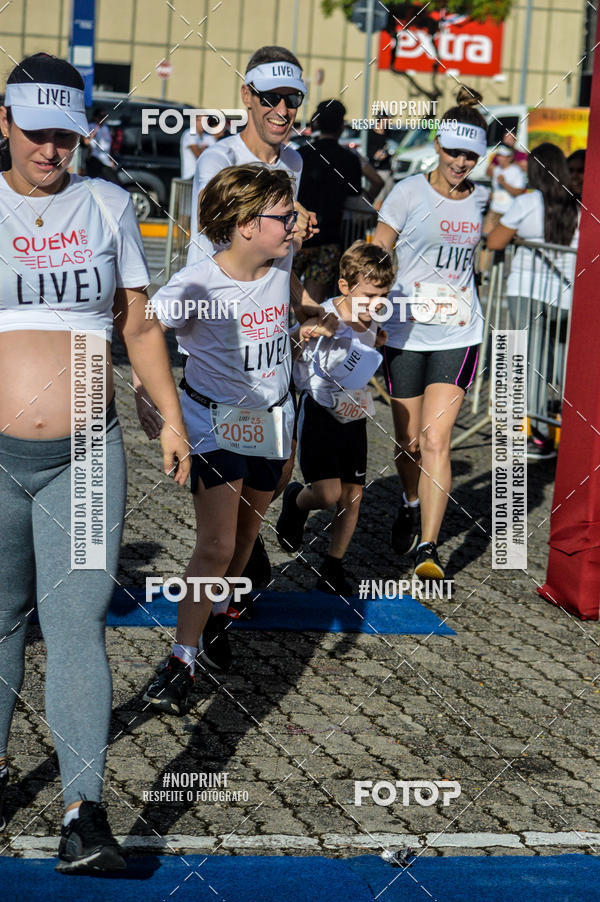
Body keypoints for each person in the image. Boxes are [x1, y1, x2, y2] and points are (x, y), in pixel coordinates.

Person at [0, 53, 190, 871]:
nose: (52, 150)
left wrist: (170, 417)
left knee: (77, 625)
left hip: (83, 452)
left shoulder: (109, 204)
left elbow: (138, 327)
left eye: (66, 136)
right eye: (37, 133)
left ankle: (85, 813)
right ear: (3, 123)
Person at [142, 165, 328, 711]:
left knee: (247, 539)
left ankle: (222, 618)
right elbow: (145, 331)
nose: (294, 224)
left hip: (273, 421)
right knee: (217, 544)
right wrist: (144, 395)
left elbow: (297, 307)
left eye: (293, 215)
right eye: (284, 217)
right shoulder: (197, 283)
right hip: (215, 422)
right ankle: (182, 656)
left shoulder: (280, 264)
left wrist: (315, 321)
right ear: (247, 225)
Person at [373, 86, 490, 580]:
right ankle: (408, 500)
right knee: (409, 445)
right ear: (438, 146)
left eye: (470, 155)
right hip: (403, 331)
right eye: (453, 151)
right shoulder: (406, 193)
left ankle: (428, 546)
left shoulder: (481, 199)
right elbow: (378, 251)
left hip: (458, 332)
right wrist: (369, 311)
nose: (460, 162)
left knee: (436, 440)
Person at [277, 241, 393, 593]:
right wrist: (307, 334)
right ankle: (297, 501)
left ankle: (333, 565)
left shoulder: (373, 319)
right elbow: (293, 353)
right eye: (370, 295)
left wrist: (377, 342)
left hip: (354, 410)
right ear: (345, 286)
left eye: (383, 296)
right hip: (319, 410)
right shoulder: (324, 314)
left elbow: (366, 350)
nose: (377, 304)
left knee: (353, 494)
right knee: (328, 494)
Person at [487, 143, 580, 460]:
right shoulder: (577, 206)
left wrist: (515, 235)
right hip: (567, 297)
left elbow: (494, 240)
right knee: (565, 366)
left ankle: (540, 438)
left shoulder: (527, 202)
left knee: (534, 367)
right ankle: (574, 432)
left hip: (528, 292)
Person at [292, 100, 363, 303]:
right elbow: (356, 198)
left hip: (296, 235)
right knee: (313, 303)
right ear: (341, 126)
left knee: (285, 293)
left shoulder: (300, 155)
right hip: (329, 238)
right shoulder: (349, 159)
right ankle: (307, 332)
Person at [85, 108, 119, 183]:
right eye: (101, 117)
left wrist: (110, 159)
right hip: (96, 159)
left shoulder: (105, 128)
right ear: (95, 117)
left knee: (113, 183)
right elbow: (86, 142)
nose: (103, 119)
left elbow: (107, 145)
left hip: (105, 159)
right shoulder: (91, 126)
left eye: (105, 117)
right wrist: (92, 134)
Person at [179, 113, 216, 179]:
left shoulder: (208, 137)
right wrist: (206, 150)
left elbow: (215, 155)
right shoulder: (189, 134)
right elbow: (198, 155)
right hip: (191, 176)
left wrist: (203, 150)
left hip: (205, 175)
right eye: (200, 121)